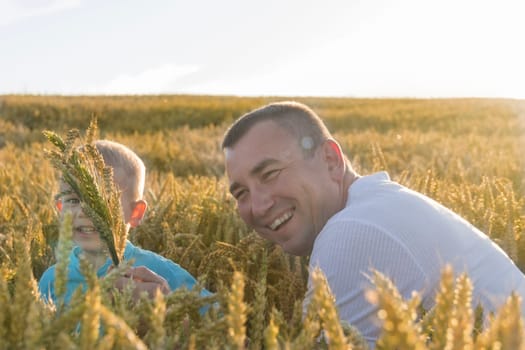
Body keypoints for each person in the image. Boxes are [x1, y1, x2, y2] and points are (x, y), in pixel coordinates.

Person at [221, 101, 525, 347]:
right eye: (241, 193)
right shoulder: (379, 204)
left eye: (270, 173)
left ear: (330, 160)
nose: (258, 206)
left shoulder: (352, 231)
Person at [39, 140, 212, 306]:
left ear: (135, 213)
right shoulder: (51, 280)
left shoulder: (159, 273)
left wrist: (169, 311)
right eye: (74, 200)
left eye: (104, 201)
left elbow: (218, 316)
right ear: (60, 209)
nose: (84, 210)